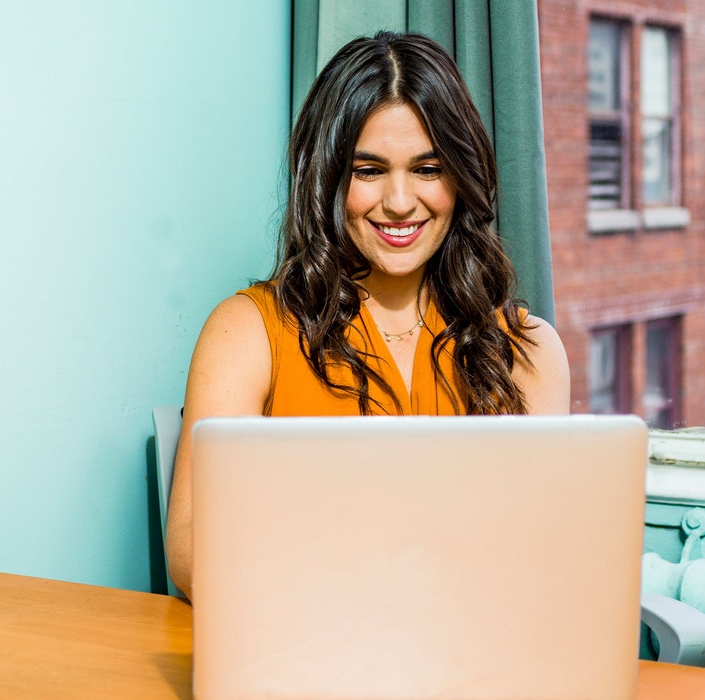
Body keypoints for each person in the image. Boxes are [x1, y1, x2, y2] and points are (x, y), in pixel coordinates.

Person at [163, 32, 570, 600]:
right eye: (368, 170)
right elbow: (192, 556)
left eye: (428, 168)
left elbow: (544, 559)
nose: (400, 202)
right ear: (328, 178)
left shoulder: (528, 350)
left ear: (461, 177)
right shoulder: (245, 333)